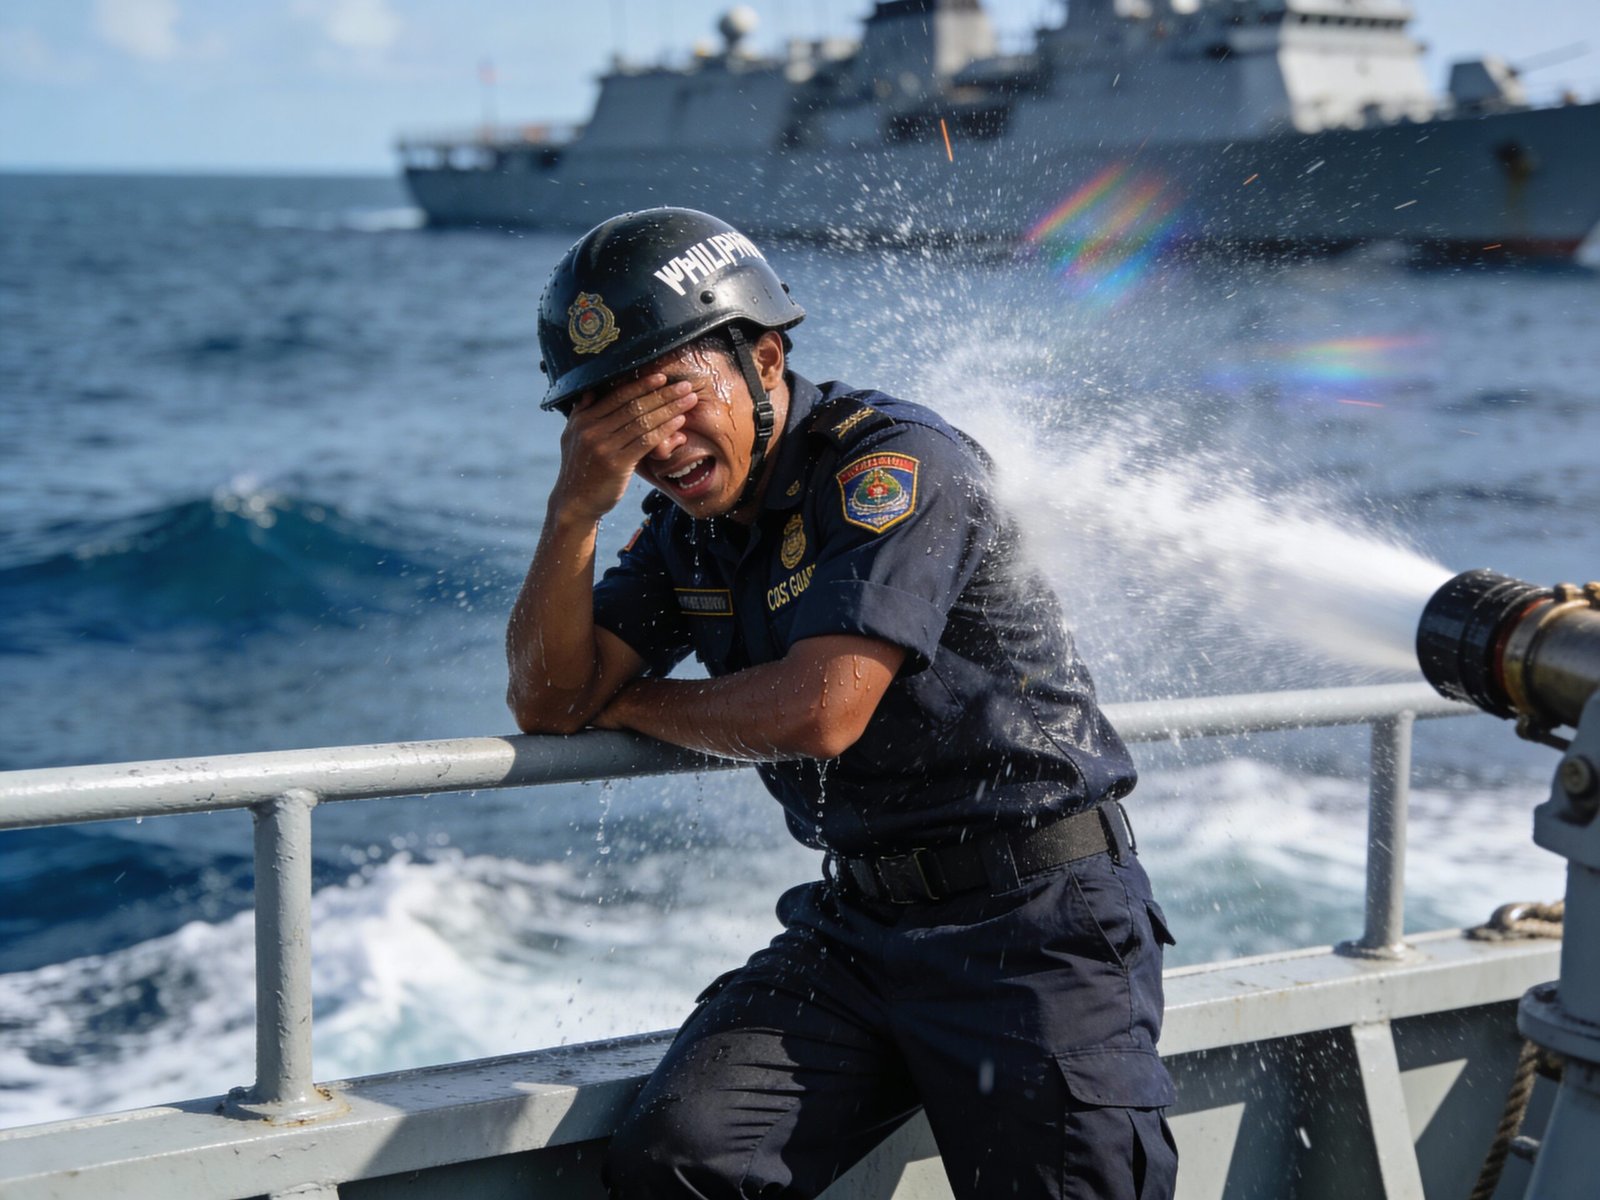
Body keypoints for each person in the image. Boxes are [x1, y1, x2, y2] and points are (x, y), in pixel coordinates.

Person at [507, 207, 1178, 1200]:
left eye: (669, 399)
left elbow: (822, 710)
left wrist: (637, 700)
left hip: (1035, 923)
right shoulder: (689, 528)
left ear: (765, 359)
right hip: (859, 925)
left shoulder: (894, 465)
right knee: (684, 1163)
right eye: (608, 423)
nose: (654, 445)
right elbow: (550, 701)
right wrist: (574, 511)